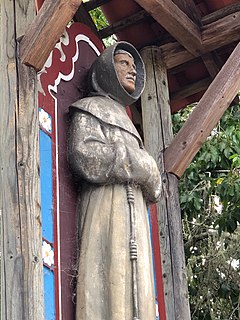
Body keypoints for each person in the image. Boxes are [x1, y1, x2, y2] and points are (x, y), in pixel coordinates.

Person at [68, 41, 161, 320]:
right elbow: (84, 156)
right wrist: (138, 163)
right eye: (124, 63)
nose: (132, 70)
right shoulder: (90, 109)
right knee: (107, 275)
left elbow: (155, 184)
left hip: (134, 216)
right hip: (107, 208)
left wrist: (145, 168)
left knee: (139, 285)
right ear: (107, 69)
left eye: (134, 66)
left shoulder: (131, 126)